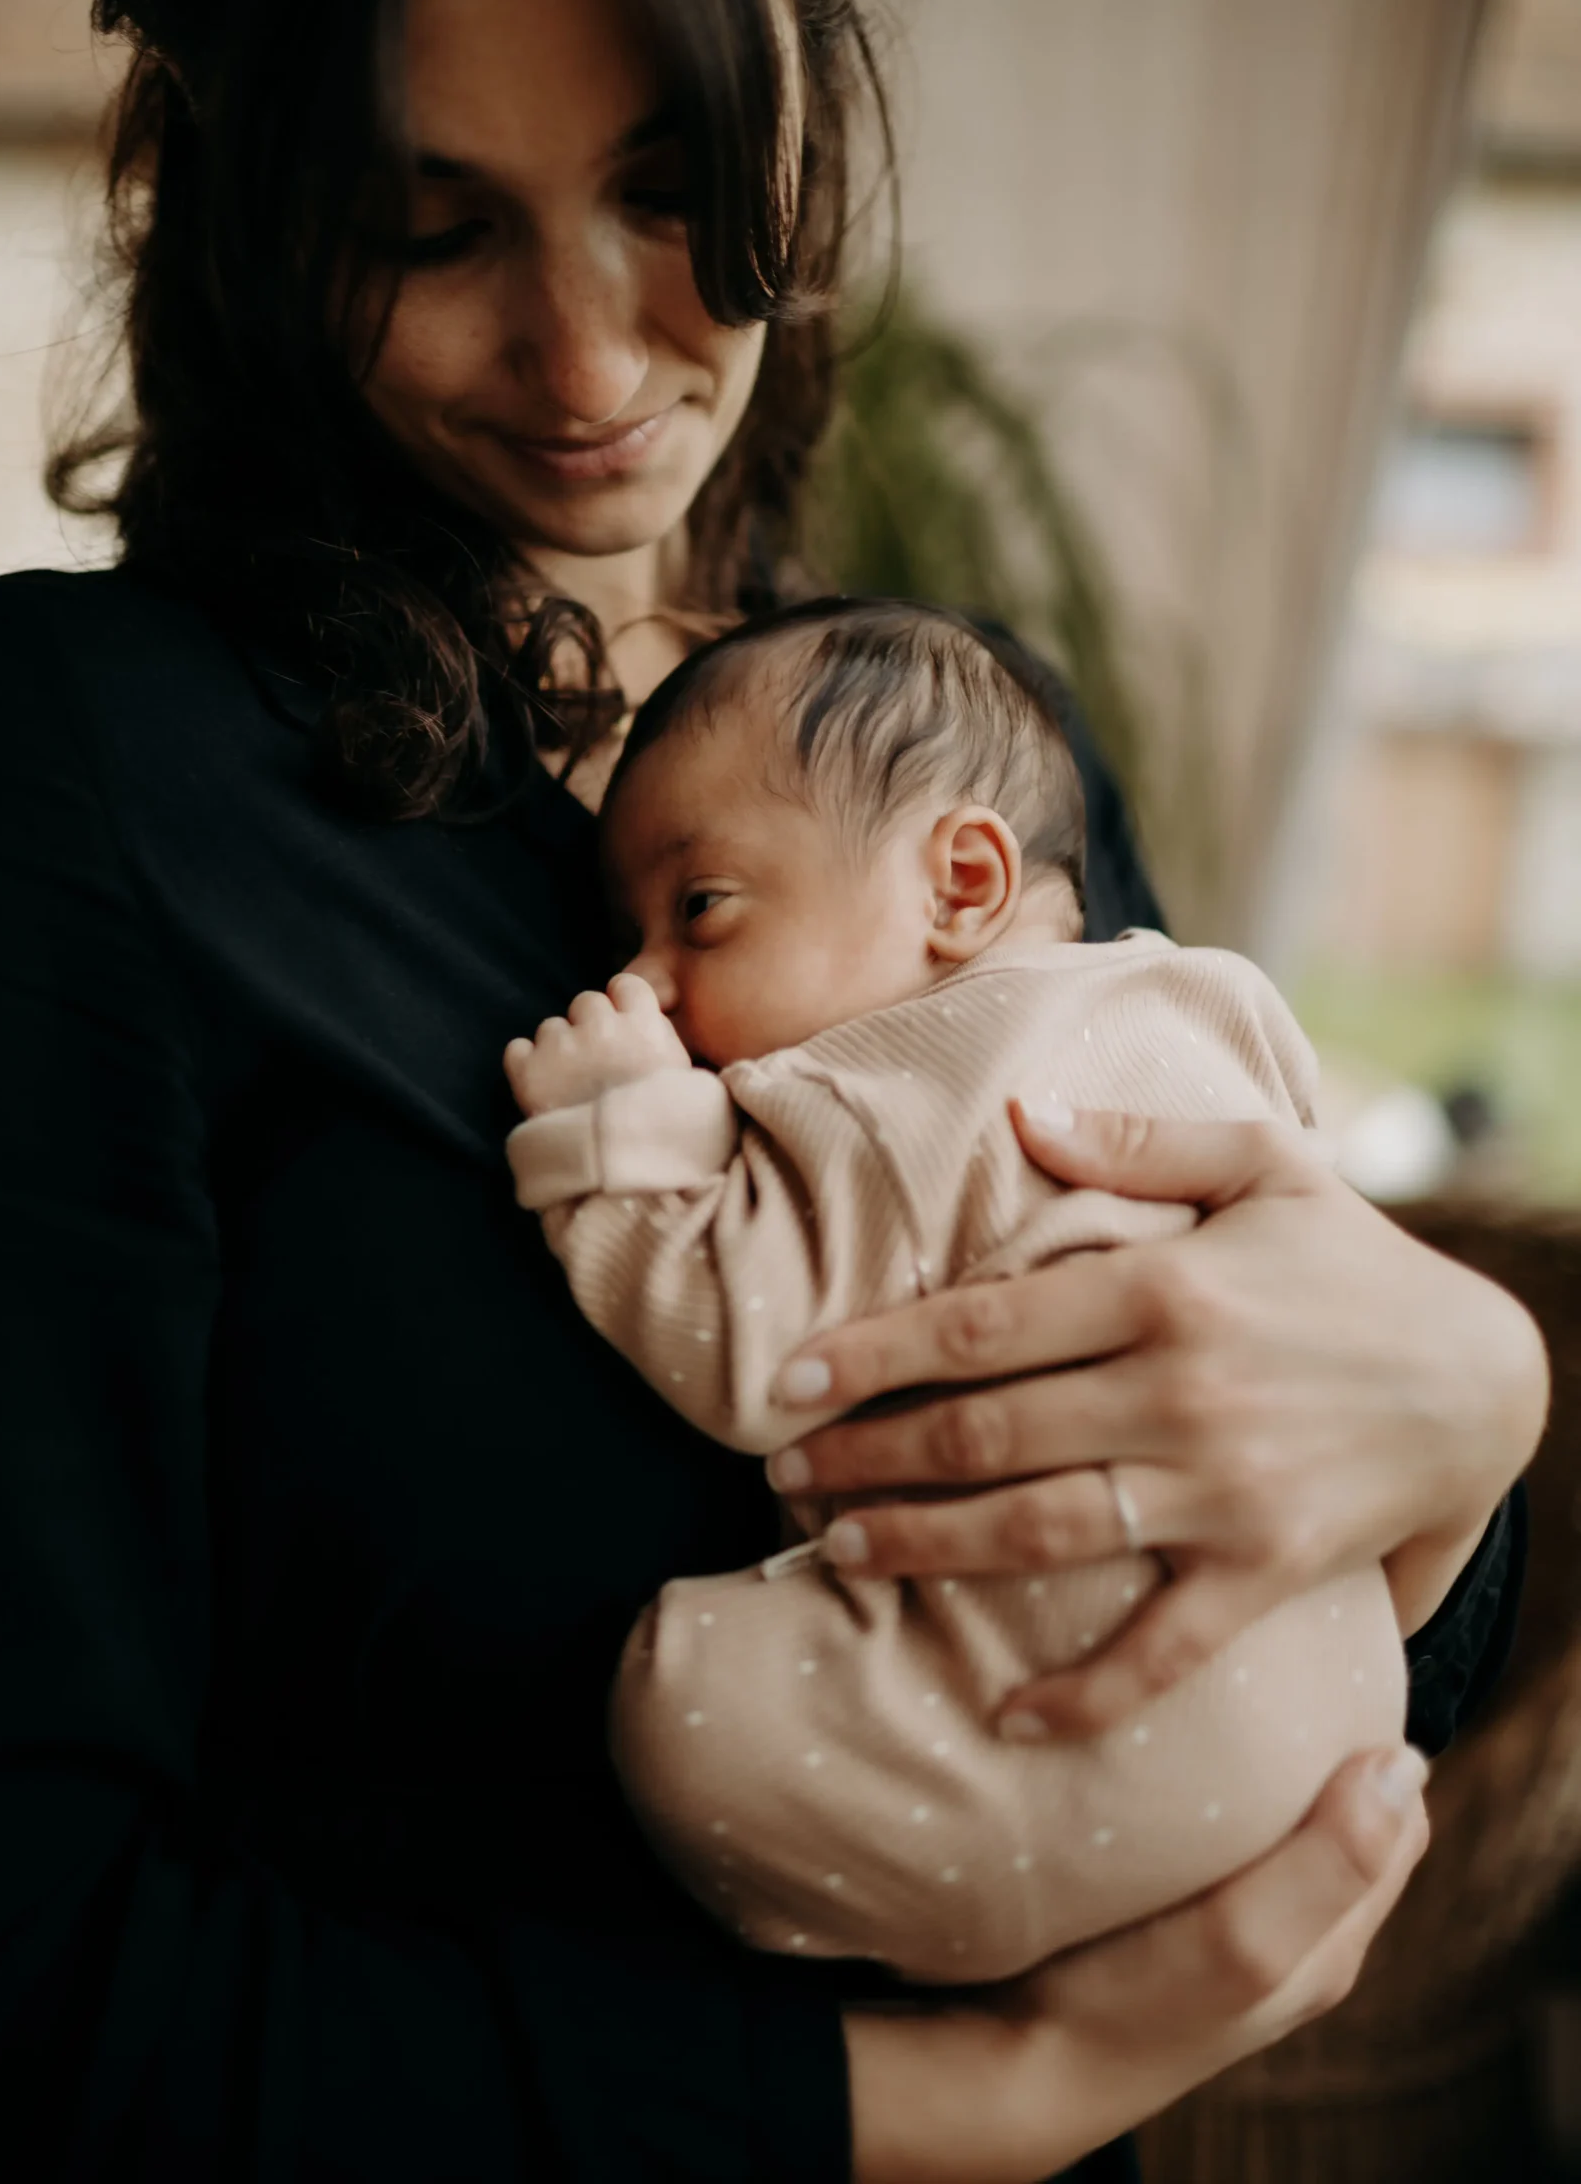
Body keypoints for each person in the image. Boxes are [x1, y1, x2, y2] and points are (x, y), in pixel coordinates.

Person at [0, 0, 1543, 2179]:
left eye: (678, 193)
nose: (587, 358)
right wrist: (949, 2098)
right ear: (227, 184)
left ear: (815, 101)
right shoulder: (54, 785)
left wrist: (1465, 1423)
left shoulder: (960, 756)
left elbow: (1337, 1660)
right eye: (429, 225)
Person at [502, 597, 1408, 1989]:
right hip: (1339, 1716)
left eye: (700, 911)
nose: (646, 985)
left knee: (676, 1705)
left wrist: (621, 1144)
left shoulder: (881, 1084)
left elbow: (759, 1364)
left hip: (1079, 1738)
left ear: (960, 886)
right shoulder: (1204, 998)